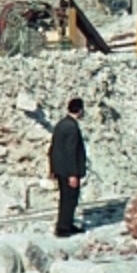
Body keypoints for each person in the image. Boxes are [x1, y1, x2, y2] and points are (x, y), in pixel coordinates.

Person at [49, 97, 88, 237]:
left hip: (60, 169)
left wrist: (53, 169)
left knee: (65, 198)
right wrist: (73, 174)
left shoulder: (61, 124)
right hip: (68, 171)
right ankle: (63, 228)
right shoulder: (72, 127)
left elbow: (53, 149)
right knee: (70, 199)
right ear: (79, 110)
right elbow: (71, 151)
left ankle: (66, 224)